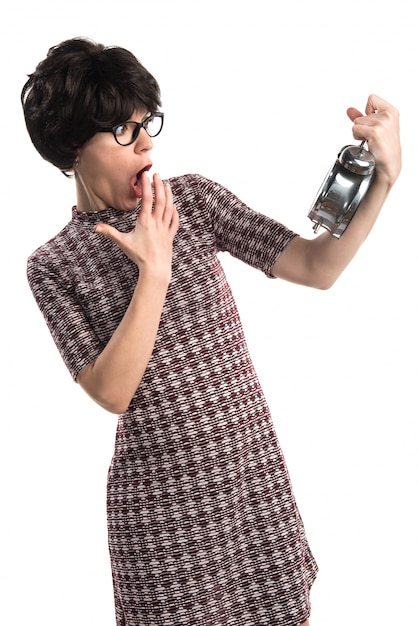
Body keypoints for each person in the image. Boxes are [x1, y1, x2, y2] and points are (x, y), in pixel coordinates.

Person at [21, 37, 401, 626]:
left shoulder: (193, 201)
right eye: (123, 131)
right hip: (163, 521)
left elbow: (314, 265)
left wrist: (382, 180)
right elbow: (111, 391)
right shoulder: (55, 264)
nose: (146, 142)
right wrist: (154, 268)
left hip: (251, 489)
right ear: (73, 145)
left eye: (147, 124)